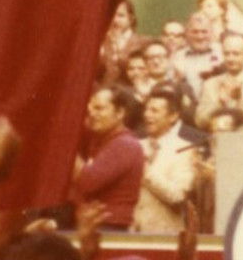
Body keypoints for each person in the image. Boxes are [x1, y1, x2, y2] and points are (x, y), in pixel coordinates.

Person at [71, 86, 144, 230]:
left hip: (109, 227)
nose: (92, 114)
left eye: (99, 109)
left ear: (120, 113)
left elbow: (87, 182)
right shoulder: (104, 140)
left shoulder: (125, 144)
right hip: (94, 223)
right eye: (90, 109)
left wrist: (66, 146)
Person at [135, 86, 201, 233]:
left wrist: (146, 172)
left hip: (164, 235)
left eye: (154, 111)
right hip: (130, 232)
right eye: (146, 109)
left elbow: (178, 196)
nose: (147, 115)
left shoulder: (184, 149)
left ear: (173, 116)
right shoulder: (135, 146)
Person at [173, 12, 223, 87]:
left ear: (212, 32)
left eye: (204, 32)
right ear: (187, 33)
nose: (200, 37)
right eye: (195, 32)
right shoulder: (178, 57)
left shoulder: (222, 52)